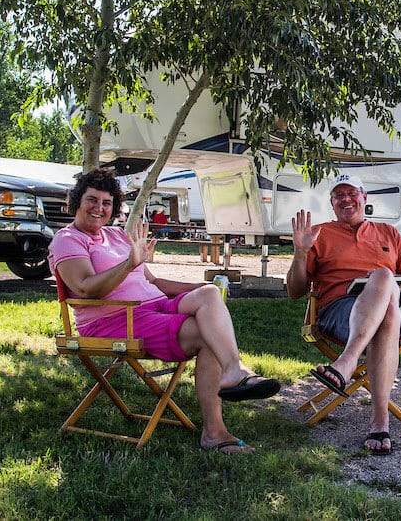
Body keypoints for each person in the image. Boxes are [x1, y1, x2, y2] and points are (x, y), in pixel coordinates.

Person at [49, 168, 280, 454]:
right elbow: (84, 288)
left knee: (208, 294)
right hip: (116, 320)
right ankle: (214, 432)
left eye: (106, 203)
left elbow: (154, 282)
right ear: (77, 201)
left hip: (153, 306)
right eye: (92, 200)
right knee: (209, 338)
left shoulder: (117, 236)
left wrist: (200, 285)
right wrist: (128, 265)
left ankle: (234, 371)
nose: (99, 208)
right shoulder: (67, 239)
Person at [286, 173, 401, 455]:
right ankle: (380, 423)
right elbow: (295, 291)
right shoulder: (320, 235)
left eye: (351, 193)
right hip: (339, 311)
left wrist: (385, 284)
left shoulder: (389, 233)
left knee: (384, 278)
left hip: (392, 305)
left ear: (364, 198)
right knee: (385, 314)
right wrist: (300, 253)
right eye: (339, 195)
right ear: (332, 203)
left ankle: (345, 364)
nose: (346, 199)